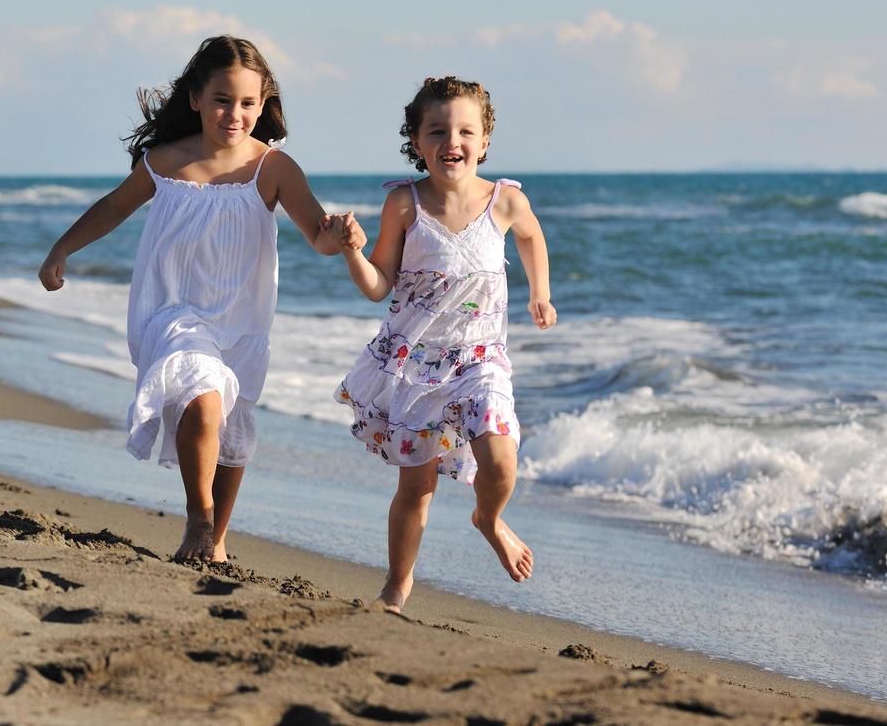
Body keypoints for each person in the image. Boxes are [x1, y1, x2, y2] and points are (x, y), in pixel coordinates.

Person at [38, 36, 357, 563]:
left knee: (232, 428)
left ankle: (216, 542)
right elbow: (113, 207)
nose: (235, 114)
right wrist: (62, 248)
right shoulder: (163, 162)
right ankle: (198, 522)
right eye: (222, 100)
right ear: (195, 99)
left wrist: (342, 237)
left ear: (264, 103)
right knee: (205, 400)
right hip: (172, 312)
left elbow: (318, 237)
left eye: (248, 103)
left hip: (241, 319)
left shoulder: (273, 169)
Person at [330, 75, 555, 613]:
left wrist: (539, 294)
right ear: (417, 140)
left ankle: (488, 518)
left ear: (484, 141)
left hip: (481, 359)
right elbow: (379, 286)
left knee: (501, 458)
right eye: (437, 131)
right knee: (417, 488)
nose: (451, 141)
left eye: (464, 131)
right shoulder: (404, 205)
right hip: (415, 365)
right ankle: (396, 586)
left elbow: (532, 236)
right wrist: (352, 252)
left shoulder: (505, 201)